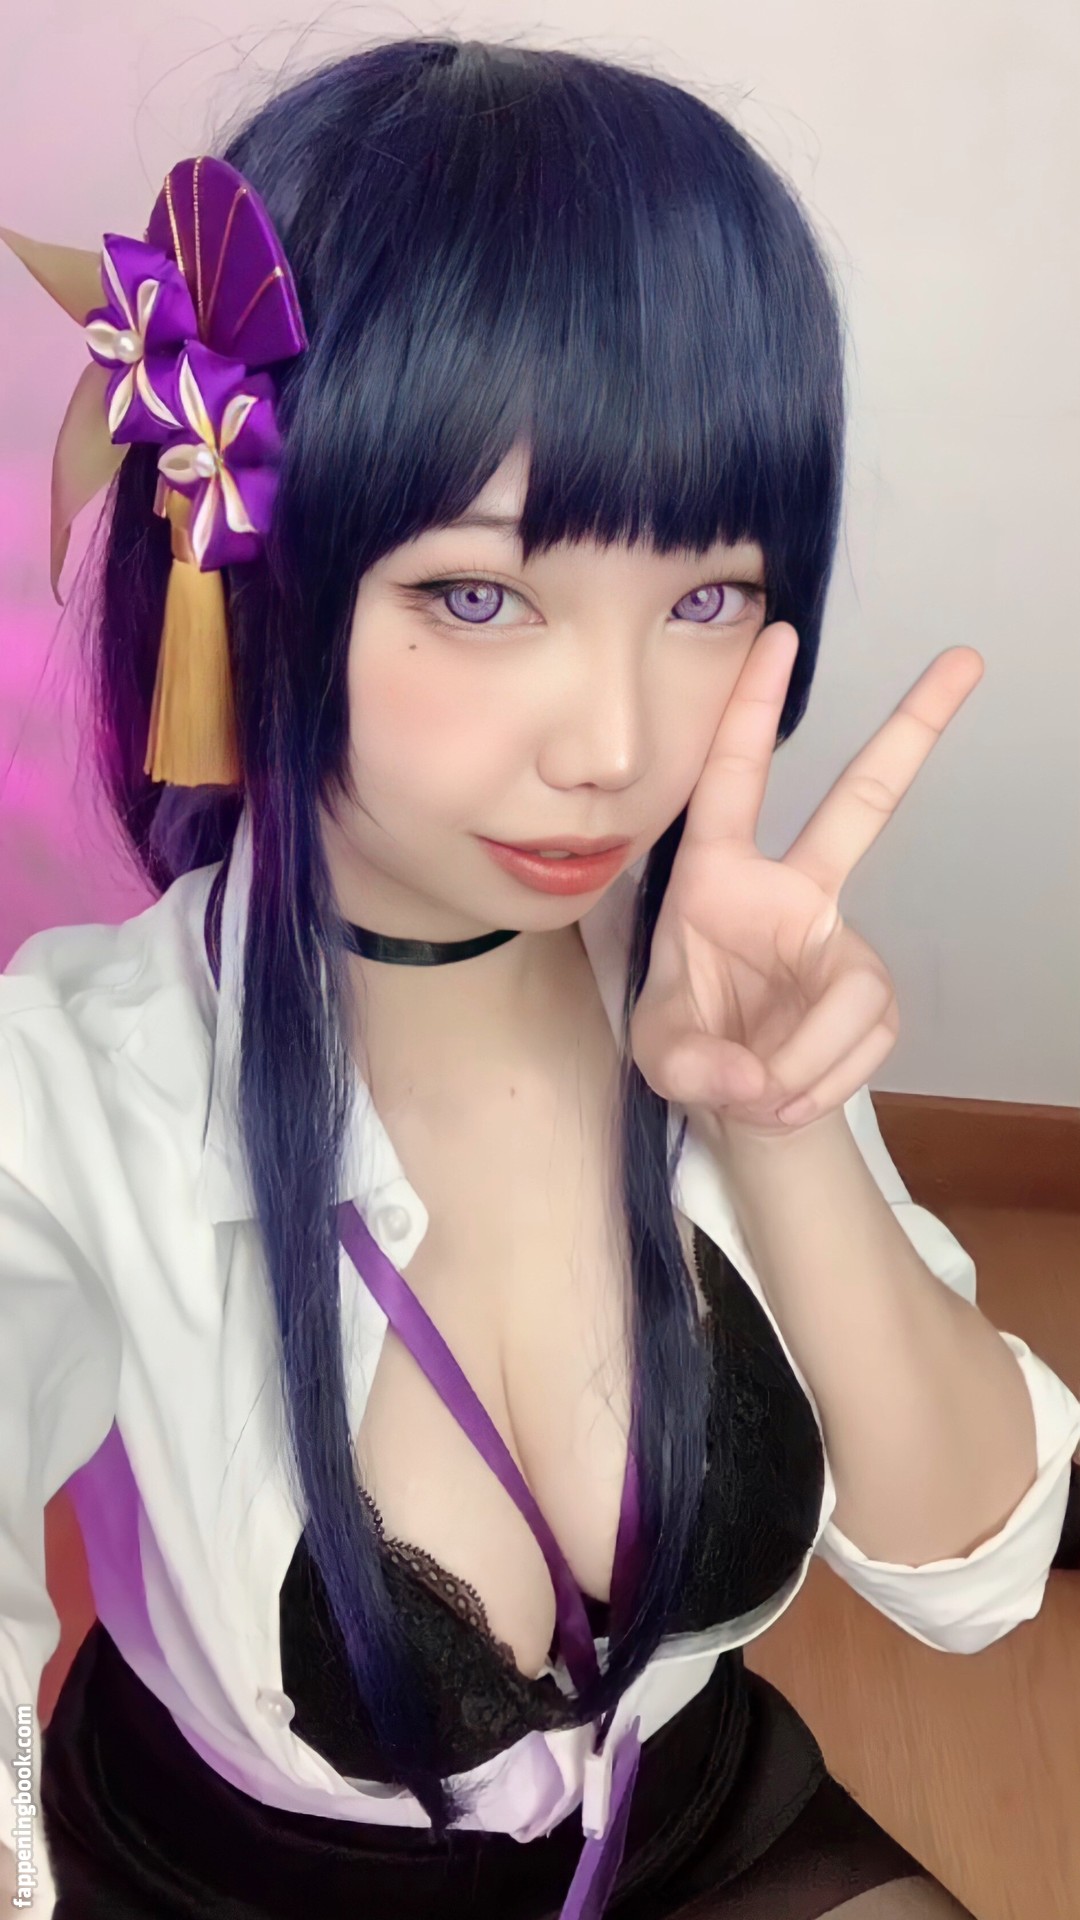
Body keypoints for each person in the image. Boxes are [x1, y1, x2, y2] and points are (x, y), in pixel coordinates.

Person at [1, 34, 1077, 1920]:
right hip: (243, 1882)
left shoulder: (711, 983)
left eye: (707, 597)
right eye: (481, 596)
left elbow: (974, 1580)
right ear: (248, 568)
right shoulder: (74, 1090)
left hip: (677, 1819)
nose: (617, 746)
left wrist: (787, 1133)